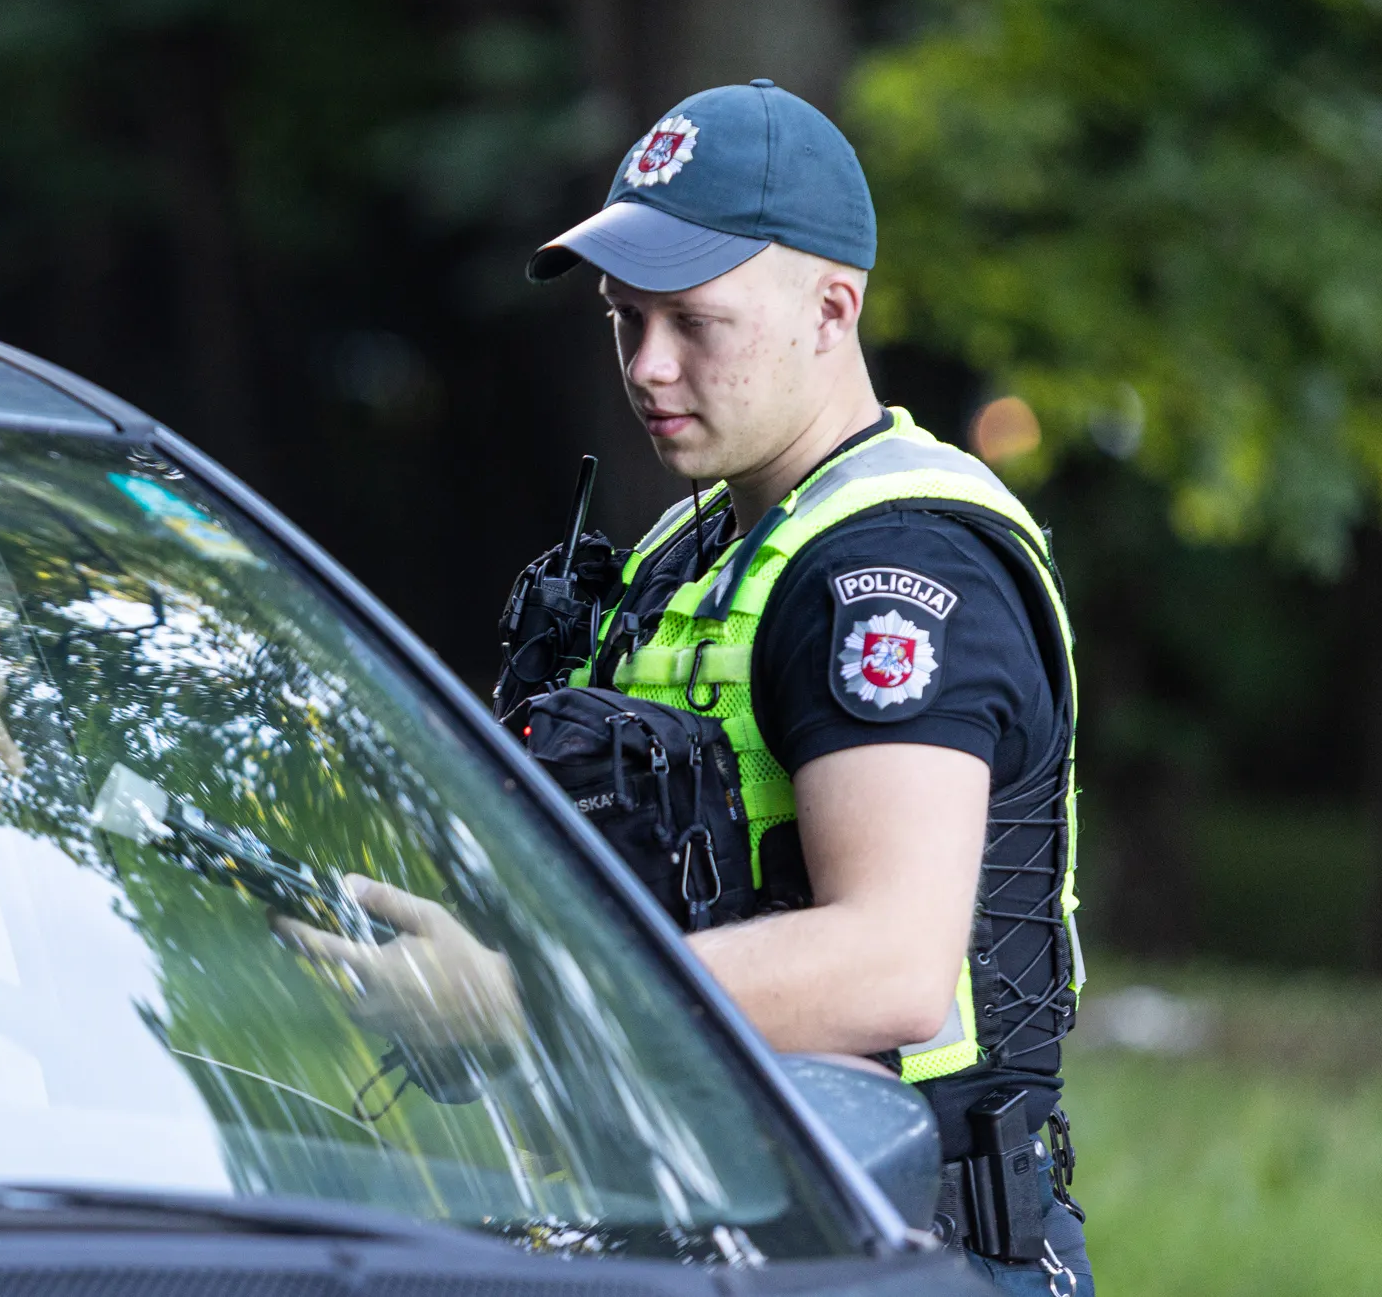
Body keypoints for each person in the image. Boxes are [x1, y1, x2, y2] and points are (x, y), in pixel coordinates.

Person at [280, 81, 1089, 1295]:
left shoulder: (896, 569)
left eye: (694, 322)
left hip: (907, 1256)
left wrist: (522, 991)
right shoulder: (692, 548)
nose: (648, 367)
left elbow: (890, 963)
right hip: (719, 1234)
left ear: (831, 309)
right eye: (623, 319)